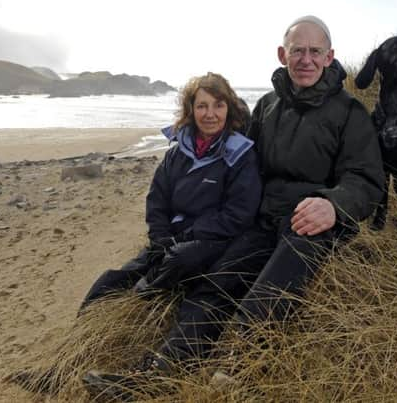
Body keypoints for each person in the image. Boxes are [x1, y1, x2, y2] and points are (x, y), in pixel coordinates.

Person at [83, 15, 384, 398]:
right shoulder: (268, 106)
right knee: (214, 284)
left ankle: (236, 369)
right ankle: (153, 377)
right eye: (297, 51)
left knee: (268, 287)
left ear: (329, 57)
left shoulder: (349, 113)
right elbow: (236, 157)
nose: (305, 60)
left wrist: (334, 204)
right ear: (282, 55)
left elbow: (366, 180)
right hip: (262, 219)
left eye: (314, 52)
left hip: (313, 221)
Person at [79, 72, 261, 310]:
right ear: (190, 110)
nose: (210, 114)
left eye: (218, 105)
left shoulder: (241, 155)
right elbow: (157, 200)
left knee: (179, 259)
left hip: (213, 240)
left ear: (229, 110)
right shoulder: (176, 154)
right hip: (171, 237)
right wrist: (160, 238)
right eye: (202, 106)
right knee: (110, 280)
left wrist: (184, 237)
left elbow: (239, 214)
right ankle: (84, 322)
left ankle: (136, 302)